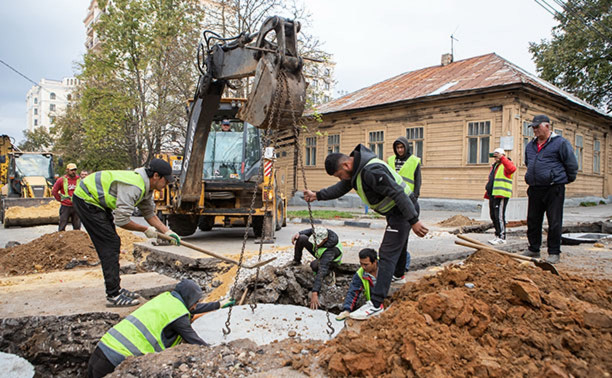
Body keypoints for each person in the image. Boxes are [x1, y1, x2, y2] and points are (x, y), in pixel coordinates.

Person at [303, 144, 428, 320]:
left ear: (346, 166)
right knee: (399, 243)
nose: (341, 179)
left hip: (403, 210)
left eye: (339, 175)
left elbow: (398, 193)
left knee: (387, 252)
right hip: (397, 211)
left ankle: (376, 304)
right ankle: (398, 276)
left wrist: (414, 220)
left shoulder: (371, 171)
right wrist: (317, 195)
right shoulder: (358, 169)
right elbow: (341, 188)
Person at [72, 158, 181, 307]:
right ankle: (113, 295)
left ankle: (116, 289)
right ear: (156, 176)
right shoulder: (134, 186)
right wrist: (145, 230)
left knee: (113, 243)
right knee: (110, 245)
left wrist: (167, 232)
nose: (166, 185)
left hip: (97, 202)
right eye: (165, 181)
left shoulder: (147, 188)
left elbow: (149, 214)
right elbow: (122, 220)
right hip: (86, 199)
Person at [87, 279, 235, 378]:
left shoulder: (167, 299)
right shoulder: (178, 316)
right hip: (116, 359)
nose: (196, 305)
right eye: (196, 301)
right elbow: (194, 341)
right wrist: (220, 354)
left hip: (103, 347)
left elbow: (190, 309)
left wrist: (219, 305)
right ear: (189, 299)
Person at [523, 115, 578, 264]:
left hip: (554, 188)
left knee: (554, 221)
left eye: (537, 126)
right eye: (533, 127)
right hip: (535, 188)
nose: (534, 129)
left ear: (547, 126)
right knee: (533, 220)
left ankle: (554, 252)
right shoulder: (530, 146)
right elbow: (528, 162)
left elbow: (571, 164)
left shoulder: (560, 143)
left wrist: (563, 179)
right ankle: (534, 248)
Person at [387, 136, 422, 277]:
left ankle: (400, 270)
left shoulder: (414, 161)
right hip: (392, 203)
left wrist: (413, 202)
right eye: (397, 147)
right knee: (394, 236)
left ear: (406, 147)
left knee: (403, 238)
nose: (400, 150)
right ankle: (396, 269)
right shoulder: (390, 161)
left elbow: (417, 183)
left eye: (402, 147)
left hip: (407, 202)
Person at [291, 226, 343, 310]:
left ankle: (330, 274)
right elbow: (310, 230)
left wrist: (315, 292)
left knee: (314, 265)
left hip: (331, 261)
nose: (316, 243)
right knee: (302, 238)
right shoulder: (322, 232)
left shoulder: (331, 250)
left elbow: (322, 270)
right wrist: (299, 233)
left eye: (318, 242)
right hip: (320, 253)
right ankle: (296, 261)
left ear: (325, 240)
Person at [484, 148, 516, 245]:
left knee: (499, 216)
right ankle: (497, 235)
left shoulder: (506, 164)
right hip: (493, 194)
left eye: (497, 155)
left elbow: (512, 169)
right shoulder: (495, 166)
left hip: (501, 194)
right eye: (494, 155)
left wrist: (502, 158)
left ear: (502, 155)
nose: (495, 157)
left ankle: (502, 237)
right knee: (493, 215)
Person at [336, 248, 378, 321]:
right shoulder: (360, 273)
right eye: (361, 264)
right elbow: (353, 292)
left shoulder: (385, 266)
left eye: (366, 264)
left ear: (374, 262)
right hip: (374, 306)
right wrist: (347, 310)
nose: (363, 267)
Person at [51, 163, 81, 231]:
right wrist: (60, 199)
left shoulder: (79, 180)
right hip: (65, 206)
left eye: (74, 170)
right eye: (71, 170)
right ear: (67, 170)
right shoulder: (61, 180)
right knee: (62, 224)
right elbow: (54, 191)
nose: (73, 172)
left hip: (76, 206)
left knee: (77, 226)